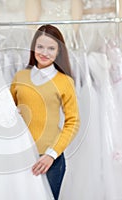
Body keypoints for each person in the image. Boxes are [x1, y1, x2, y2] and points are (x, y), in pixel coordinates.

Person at [10, 24, 80, 200]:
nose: (44, 52)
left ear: (59, 51)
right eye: (40, 46)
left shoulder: (65, 81)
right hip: (20, 156)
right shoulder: (20, 77)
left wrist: (51, 154)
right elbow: (8, 113)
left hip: (49, 160)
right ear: (33, 48)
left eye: (51, 48)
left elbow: (73, 122)